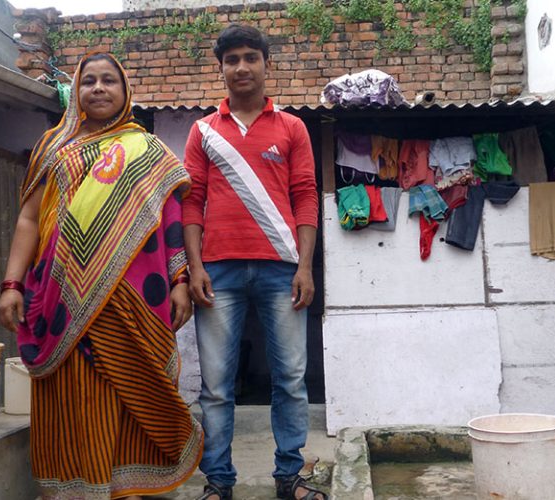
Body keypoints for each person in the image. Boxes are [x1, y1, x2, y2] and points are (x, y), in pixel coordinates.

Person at [0, 52, 202, 500]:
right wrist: (11, 285)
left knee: (126, 392)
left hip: (129, 298)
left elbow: (168, 221)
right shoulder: (53, 147)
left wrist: (180, 280)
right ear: (77, 92)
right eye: (88, 81)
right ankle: (74, 488)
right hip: (59, 295)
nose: (99, 89)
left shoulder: (147, 151)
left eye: (110, 80)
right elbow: (29, 219)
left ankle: (124, 489)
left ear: (126, 91)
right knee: (70, 396)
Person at [182, 25, 327, 500]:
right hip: (217, 273)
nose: (241, 67)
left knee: (290, 379)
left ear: (267, 64)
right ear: (220, 68)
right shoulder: (203, 130)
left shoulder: (292, 128)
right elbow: (192, 201)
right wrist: (195, 266)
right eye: (232, 59)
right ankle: (218, 484)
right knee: (217, 387)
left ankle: (289, 478)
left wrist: (304, 267)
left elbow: (306, 197)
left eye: (250, 57)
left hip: (281, 269)